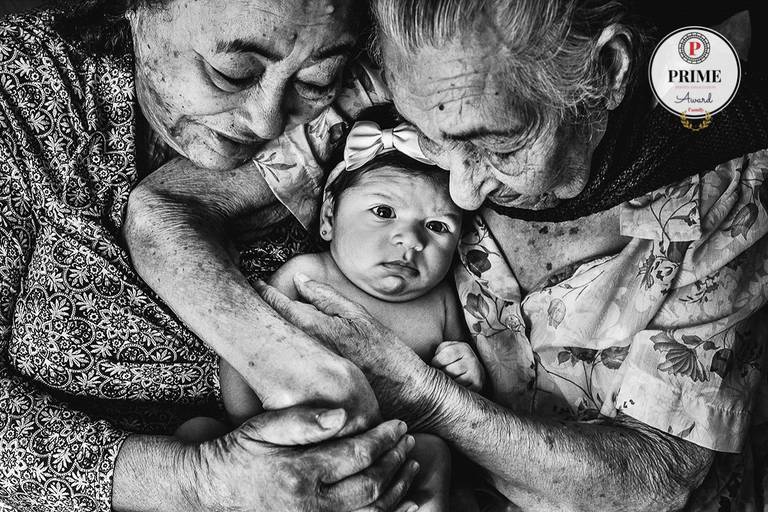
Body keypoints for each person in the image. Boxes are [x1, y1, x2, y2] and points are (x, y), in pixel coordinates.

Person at [126, 0, 768, 510]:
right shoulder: (405, 79)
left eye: (497, 144)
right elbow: (164, 211)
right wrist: (284, 365)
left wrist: (425, 394)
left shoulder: (720, 198)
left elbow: (655, 481)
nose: (460, 193)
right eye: (429, 137)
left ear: (608, 71)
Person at [0, 1, 422, 511]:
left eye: (315, 81)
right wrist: (198, 481)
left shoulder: (370, 116)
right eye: (232, 72)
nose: (265, 122)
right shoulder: (24, 83)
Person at [205, 116, 485, 511]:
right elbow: (244, 346)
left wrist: (467, 371)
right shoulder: (306, 276)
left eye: (437, 226)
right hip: (295, 443)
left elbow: (460, 385)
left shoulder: (441, 302)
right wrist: (248, 420)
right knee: (199, 433)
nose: (412, 239)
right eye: (384, 211)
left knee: (434, 454)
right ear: (329, 217)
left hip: (390, 453)